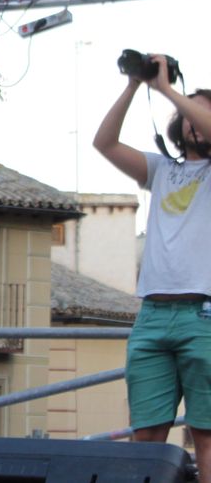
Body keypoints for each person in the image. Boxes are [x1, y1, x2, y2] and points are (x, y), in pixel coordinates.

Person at [93, 56, 211, 483]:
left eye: (200, 109)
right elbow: (104, 143)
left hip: (205, 314)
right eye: (185, 113)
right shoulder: (163, 170)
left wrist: (167, 90)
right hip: (152, 315)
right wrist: (132, 85)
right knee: (145, 434)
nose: (191, 119)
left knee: (207, 432)